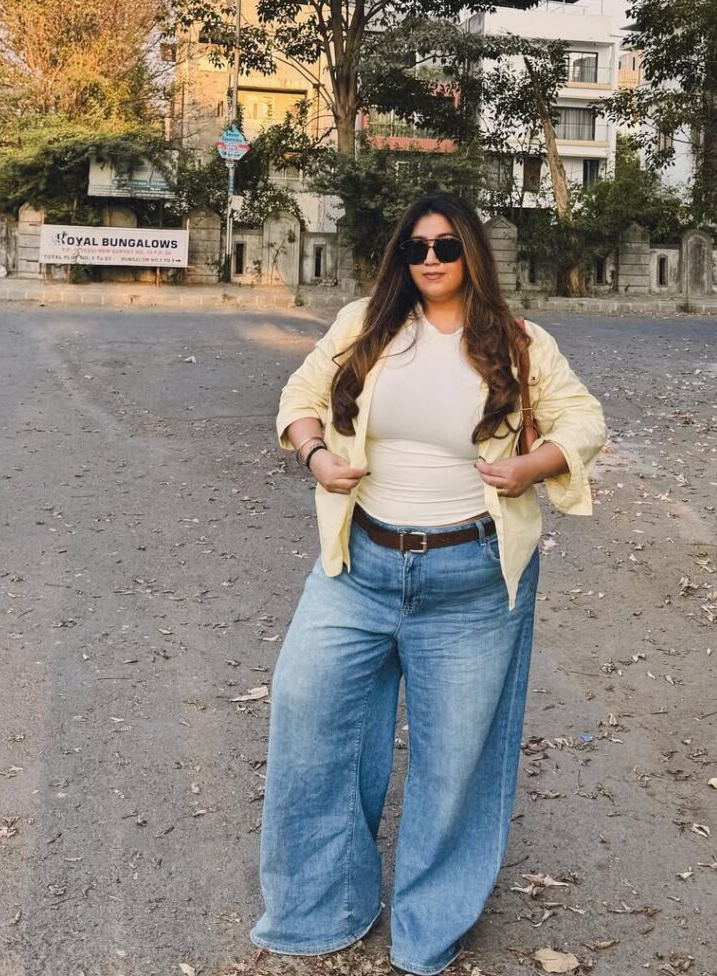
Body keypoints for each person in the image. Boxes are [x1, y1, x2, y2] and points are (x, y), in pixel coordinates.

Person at [250, 192, 606, 975]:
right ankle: (321, 908)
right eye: (417, 249)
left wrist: (530, 465)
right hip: (358, 568)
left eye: (447, 246)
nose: (433, 260)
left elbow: (583, 420)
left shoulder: (517, 342)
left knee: (455, 764)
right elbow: (301, 400)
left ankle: (426, 929)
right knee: (310, 721)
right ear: (400, 259)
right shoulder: (364, 327)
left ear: (471, 253)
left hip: (472, 579)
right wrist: (316, 457)